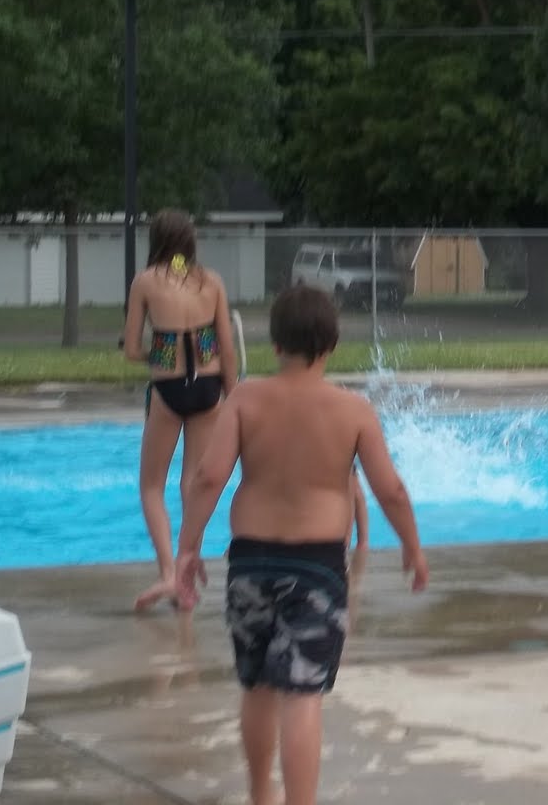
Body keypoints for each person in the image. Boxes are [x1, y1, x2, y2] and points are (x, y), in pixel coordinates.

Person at [174, 284, 427, 805]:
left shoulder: (245, 399)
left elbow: (208, 478)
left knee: (257, 686)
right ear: (331, 345)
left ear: (275, 344)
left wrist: (187, 548)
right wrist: (412, 547)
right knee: (302, 694)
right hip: (316, 569)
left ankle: (260, 795)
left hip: (250, 563)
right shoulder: (353, 410)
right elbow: (391, 491)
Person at [122, 208, 239, 612]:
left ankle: (168, 573)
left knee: (151, 486)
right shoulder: (212, 282)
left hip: (169, 388)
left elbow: (132, 349)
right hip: (209, 387)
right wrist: (232, 396)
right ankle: (187, 574)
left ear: (156, 240)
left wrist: (161, 353)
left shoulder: (145, 282)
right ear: (190, 241)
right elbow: (226, 347)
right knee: (194, 482)